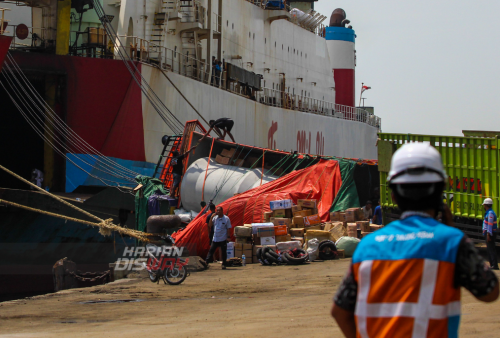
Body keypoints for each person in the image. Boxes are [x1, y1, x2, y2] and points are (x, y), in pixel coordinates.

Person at [331, 143, 499, 338]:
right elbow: (490, 291)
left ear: (393, 196)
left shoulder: (367, 247)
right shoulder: (451, 242)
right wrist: (451, 232)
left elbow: (339, 311)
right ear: (439, 193)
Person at [482, 197, 499, 270]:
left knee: (491, 249)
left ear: (486, 205)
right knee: (489, 249)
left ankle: (494, 265)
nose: (483, 206)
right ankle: (492, 264)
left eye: (484, 205)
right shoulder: (489, 212)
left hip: (490, 234)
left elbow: (490, 224)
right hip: (489, 233)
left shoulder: (490, 213)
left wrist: (488, 235)